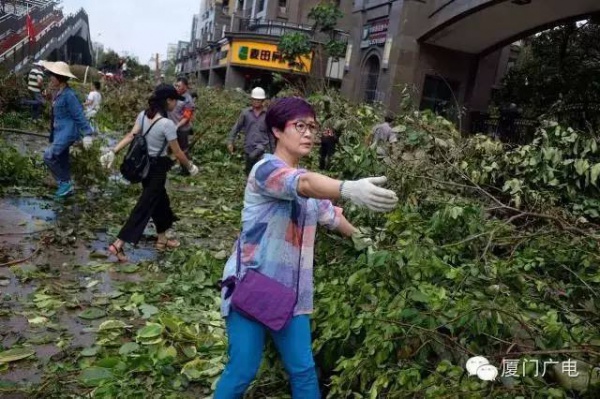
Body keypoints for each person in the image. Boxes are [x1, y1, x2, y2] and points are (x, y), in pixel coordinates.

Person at [214, 97, 398, 398]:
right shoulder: (266, 170)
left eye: (312, 127)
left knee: (303, 370)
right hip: (253, 285)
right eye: (299, 126)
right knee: (243, 369)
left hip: (292, 295)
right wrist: (348, 187)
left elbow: (330, 215)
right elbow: (303, 184)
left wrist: (365, 242)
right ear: (276, 130)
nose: (309, 133)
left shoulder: (307, 181)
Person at [99, 84, 199, 263]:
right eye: (175, 100)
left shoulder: (143, 115)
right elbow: (177, 152)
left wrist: (113, 151)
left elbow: (131, 136)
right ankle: (118, 244)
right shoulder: (167, 124)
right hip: (157, 169)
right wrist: (190, 167)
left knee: (161, 203)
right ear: (168, 100)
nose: (176, 104)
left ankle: (162, 239)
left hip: (144, 167)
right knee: (144, 206)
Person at [41, 61, 94, 199]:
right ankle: (67, 187)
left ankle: (64, 183)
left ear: (59, 77)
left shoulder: (69, 95)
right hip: (59, 132)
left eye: (52, 76)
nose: (50, 78)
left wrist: (88, 133)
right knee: (62, 158)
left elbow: (78, 114)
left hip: (68, 132)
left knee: (49, 155)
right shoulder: (59, 93)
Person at [227, 87, 271, 175]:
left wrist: (274, 152)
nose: (256, 102)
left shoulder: (268, 115)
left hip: (262, 147)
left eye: (259, 100)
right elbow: (236, 128)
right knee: (250, 170)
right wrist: (230, 141)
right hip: (248, 146)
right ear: (251, 100)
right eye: (254, 99)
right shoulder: (245, 113)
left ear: (263, 100)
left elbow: (272, 133)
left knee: (257, 165)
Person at [168, 77, 195, 174]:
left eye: (179, 86)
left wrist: (177, 126)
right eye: (176, 85)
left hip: (182, 129)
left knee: (183, 150)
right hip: (170, 127)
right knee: (170, 148)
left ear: (185, 87)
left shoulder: (188, 100)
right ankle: (171, 165)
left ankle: (185, 170)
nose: (177, 88)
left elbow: (187, 116)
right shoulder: (174, 95)